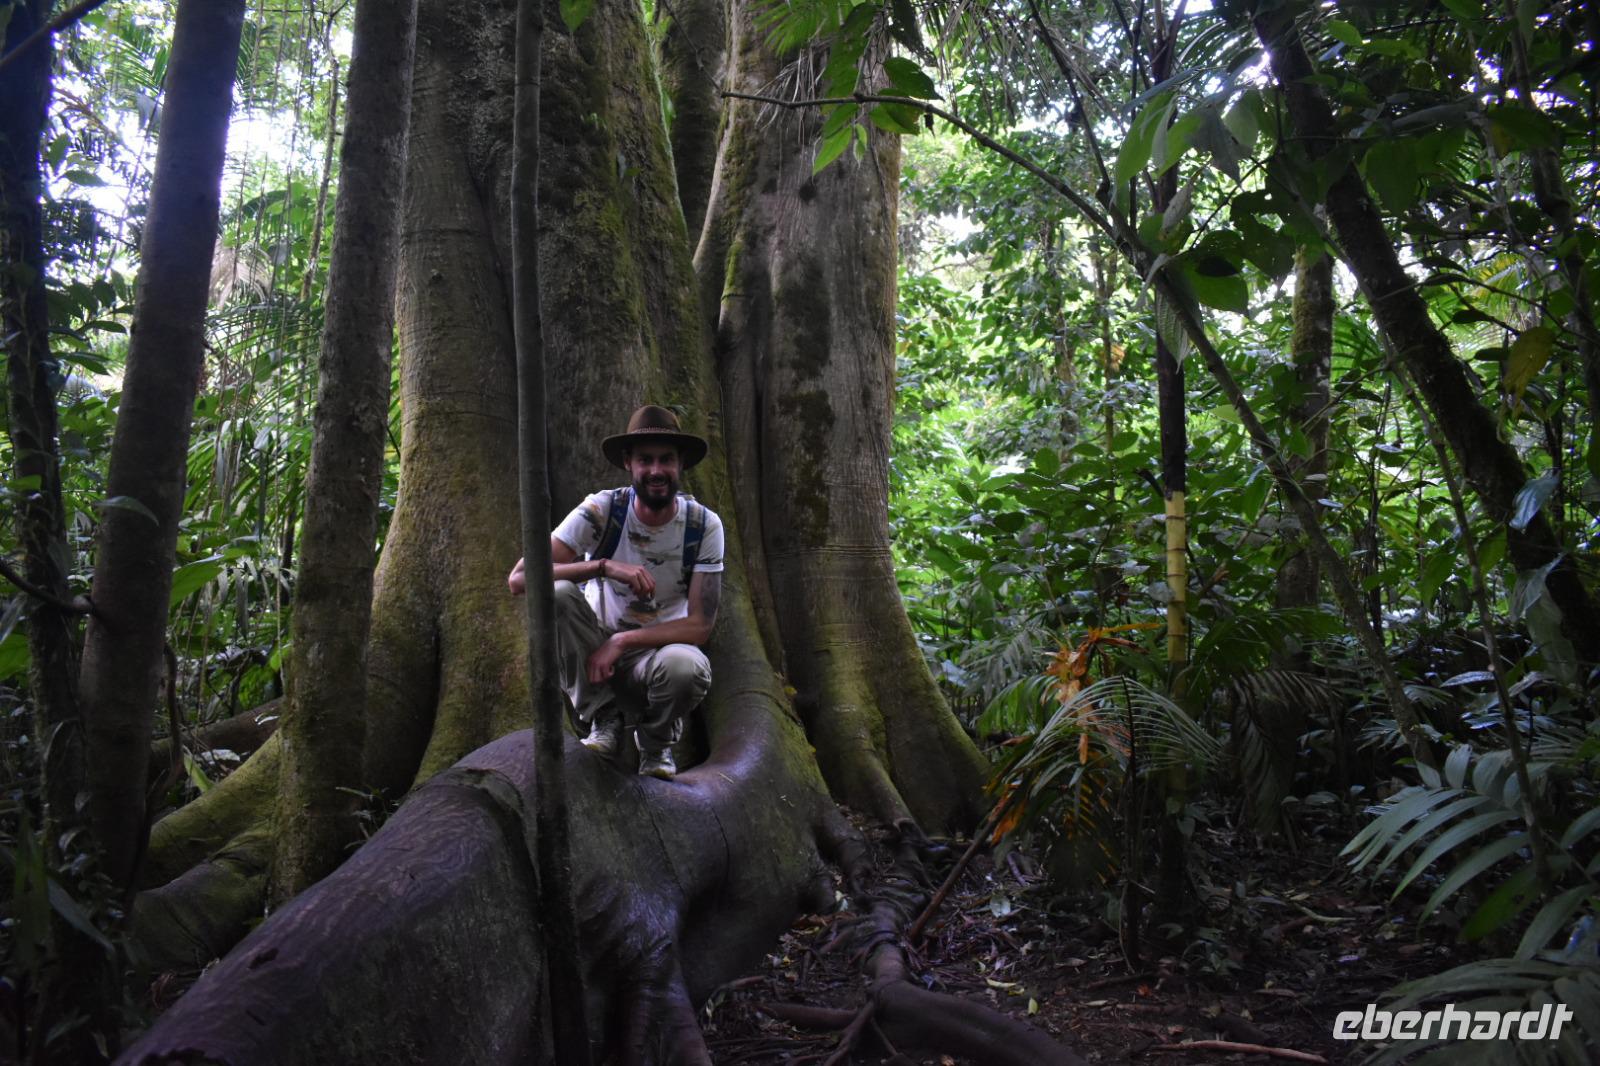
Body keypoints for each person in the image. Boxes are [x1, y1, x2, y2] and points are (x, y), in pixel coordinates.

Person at [508, 405, 723, 779]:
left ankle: (656, 744)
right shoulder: (603, 509)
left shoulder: (703, 526)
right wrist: (602, 566)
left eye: (666, 460)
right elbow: (520, 579)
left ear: (680, 465)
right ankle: (601, 719)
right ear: (629, 463)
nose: (656, 471)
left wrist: (623, 641)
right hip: (592, 659)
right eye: (645, 460)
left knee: (687, 667)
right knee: (556, 592)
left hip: (654, 664)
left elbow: (701, 625)